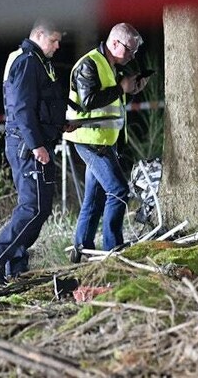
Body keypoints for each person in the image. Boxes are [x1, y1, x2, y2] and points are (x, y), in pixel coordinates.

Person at [0, 20, 69, 285]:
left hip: (33, 142)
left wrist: (59, 124)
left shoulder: (38, 61)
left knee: (37, 207)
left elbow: (41, 104)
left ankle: (16, 267)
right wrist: (36, 145)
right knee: (34, 207)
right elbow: (21, 109)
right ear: (38, 35)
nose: (57, 46)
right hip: (28, 146)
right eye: (53, 40)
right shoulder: (28, 62)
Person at [64, 23, 149, 263]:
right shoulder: (89, 64)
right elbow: (89, 101)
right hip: (90, 140)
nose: (132, 56)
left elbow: (110, 101)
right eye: (130, 50)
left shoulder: (111, 66)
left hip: (102, 141)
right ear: (114, 43)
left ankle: (81, 250)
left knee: (95, 198)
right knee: (119, 191)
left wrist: (130, 90)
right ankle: (113, 249)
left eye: (134, 51)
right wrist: (121, 88)